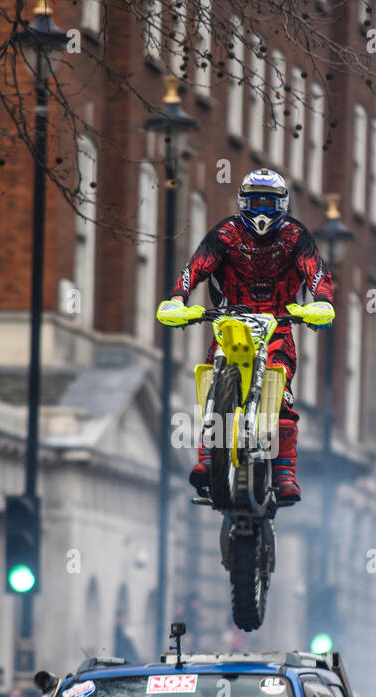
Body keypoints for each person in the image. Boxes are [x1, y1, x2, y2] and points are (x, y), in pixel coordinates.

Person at [156, 168, 335, 503]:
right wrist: (178, 298)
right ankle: (208, 459)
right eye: (254, 203)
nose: (262, 212)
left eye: (269, 204)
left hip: (279, 324)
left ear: (282, 205)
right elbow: (195, 268)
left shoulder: (297, 236)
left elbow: (317, 273)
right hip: (229, 320)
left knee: (281, 396)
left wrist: (322, 302)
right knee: (211, 382)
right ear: (242, 202)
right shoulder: (225, 233)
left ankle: (284, 474)